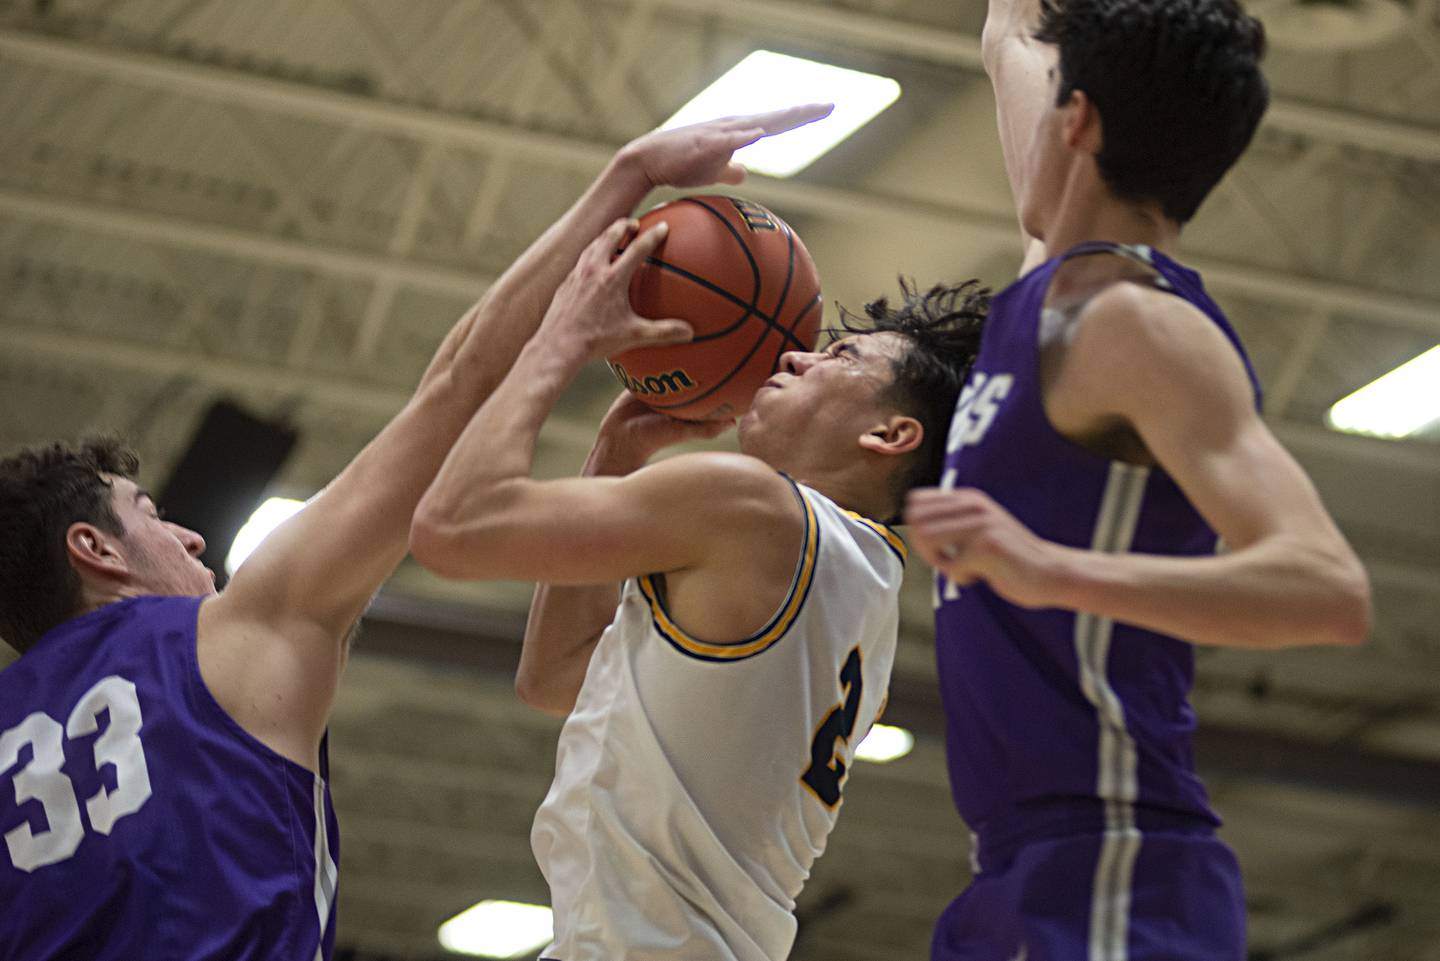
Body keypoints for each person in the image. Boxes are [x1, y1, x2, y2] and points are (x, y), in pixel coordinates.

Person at [0, 105, 827, 961]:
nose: (195, 539)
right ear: (92, 550)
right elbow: (457, 390)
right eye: (150, 513)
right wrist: (626, 185)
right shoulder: (226, 640)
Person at [905, 0, 1373, 958]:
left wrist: (1049, 570)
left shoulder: (1138, 327)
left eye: (1049, 102)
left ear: (1076, 121)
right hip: (1013, 869)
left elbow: (1330, 589)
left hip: (1116, 861)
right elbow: (1014, 34)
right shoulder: (1049, 292)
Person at [409, 205, 989, 957]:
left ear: (889, 435)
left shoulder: (756, 509)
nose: (795, 358)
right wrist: (613, 451)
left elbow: (454, 526)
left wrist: (563, 339)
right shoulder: (862, 582)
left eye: (841, 358)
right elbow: (555, 679)